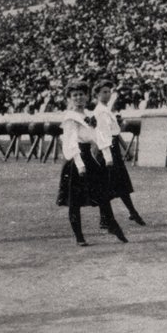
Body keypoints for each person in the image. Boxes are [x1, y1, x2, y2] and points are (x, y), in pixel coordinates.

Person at [56, 81, 127, 246]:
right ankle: (79, 236)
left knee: (103, 192)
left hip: (89, 155)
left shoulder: (89, 114)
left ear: (87, 96)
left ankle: (110, 224)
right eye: (75, 95)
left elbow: (100, 135)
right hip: (75, 160)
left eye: (81, 94)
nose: (79, 98)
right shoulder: (70, 118)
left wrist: (107, 155)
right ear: (69, 99)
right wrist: (80, 165)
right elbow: (71, 142)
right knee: (74, 200)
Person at [92, 81, 145, 227]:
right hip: (107, 149)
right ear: (97, 94)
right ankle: (122, 214)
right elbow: (103, 134)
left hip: (111, 147)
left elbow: (113, 131)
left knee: (118, 183)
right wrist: (108, 155)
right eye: (104, 92)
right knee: (109, 184)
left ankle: (130, 212)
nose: (107, 94)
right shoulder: (101, 111)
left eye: (109, 92)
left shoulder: (106, 110)